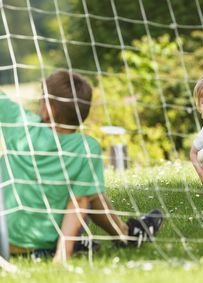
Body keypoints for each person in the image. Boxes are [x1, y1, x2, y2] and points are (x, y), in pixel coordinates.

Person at [0, 70, 163, 263]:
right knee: (88, 193)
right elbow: (78, 203)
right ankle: (126, 234)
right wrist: (62, 255)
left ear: (49, 110)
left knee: (87, 191)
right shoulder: (86, 147)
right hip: (38, 244)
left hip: (4, 241)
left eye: (42, 99)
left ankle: (125, 233)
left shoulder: (22, 125)